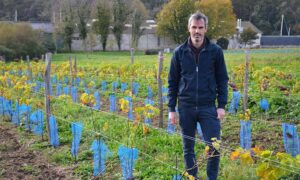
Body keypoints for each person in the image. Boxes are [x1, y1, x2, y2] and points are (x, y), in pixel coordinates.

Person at [168, 12, 228, 180]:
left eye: (200, 28)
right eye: (194, 27)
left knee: (214, 146)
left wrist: (221, 105)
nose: (197, 31)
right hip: (186, 107)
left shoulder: (215, 52)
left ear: (205, 29)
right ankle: (192, 177)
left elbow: (222, 79)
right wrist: (171, 108)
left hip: (208, 106)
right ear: (189, 28)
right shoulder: (179, 53)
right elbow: (172, 82)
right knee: (188, 148)